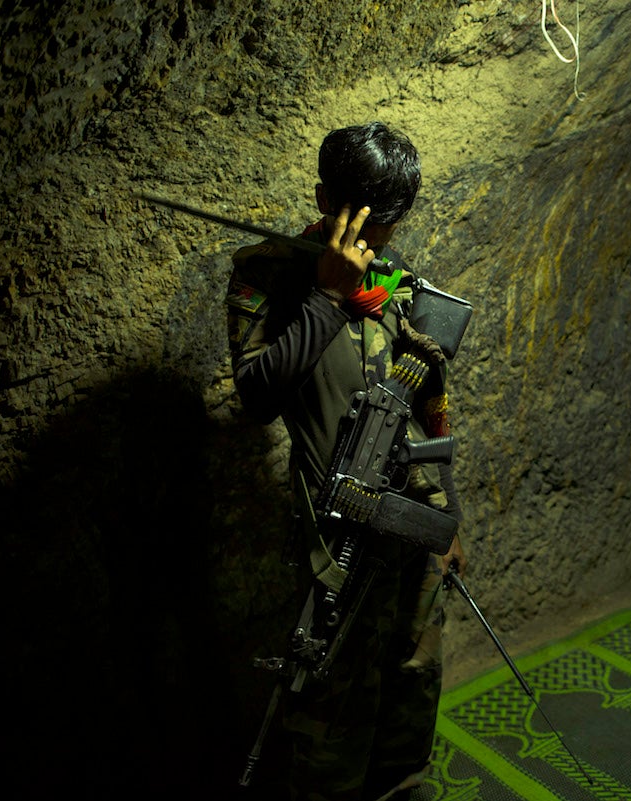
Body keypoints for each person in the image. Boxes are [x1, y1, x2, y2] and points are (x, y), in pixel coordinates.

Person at [226, 121, 468, 800]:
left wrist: (452, 519)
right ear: (322, 197)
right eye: (363, 221)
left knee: (415, 681)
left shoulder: (398, 282)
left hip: (414, 524)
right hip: (338, 537)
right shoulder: (265, 273)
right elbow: (257, 395)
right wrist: (328, 296)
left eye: (387, 225)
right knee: (335, 705)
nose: (375, 242)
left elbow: (428, 403)